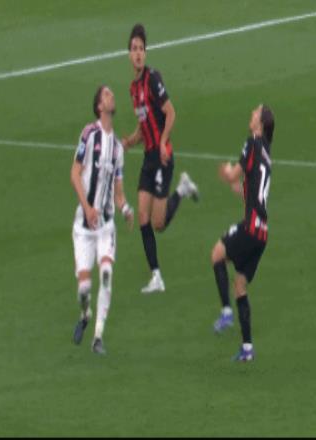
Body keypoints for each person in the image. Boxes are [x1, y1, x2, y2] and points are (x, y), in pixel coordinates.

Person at [122, 23, 199, 294]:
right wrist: (129, 141)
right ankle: (156, 276)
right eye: (134, 49)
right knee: (143, 215)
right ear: (129, 54)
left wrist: (164, 141)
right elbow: (143, 126)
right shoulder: (133, 89)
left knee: (158, 223)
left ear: (145, 52)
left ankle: (182, 189)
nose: (138, 53)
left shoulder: (153, 79)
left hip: (162, 158)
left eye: (141, 48)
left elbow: (171, 112)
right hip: (148, 159)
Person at [71, 85, 134, 355]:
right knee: (84, 288)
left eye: (111, 94)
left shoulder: (118, 148)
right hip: (84, 228)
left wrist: (126, 208)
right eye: (106, 95)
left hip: (106, 226)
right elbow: (74, 174)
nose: (112, 97)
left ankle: (98, 336)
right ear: (99, 106)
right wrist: (87, 207)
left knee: (106, 274)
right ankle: (85, 314)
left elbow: (118, 192)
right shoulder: (89, 134)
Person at [211, 104, 275, 362]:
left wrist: (227, 173)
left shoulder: (252, 143)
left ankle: (226, 312)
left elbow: (232, 175)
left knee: (216, 254)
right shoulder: (266, 153)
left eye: (255, 112)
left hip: (250, 228)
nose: (251, 113)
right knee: (239, 285)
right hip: (262, 234)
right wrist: (238, 187)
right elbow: (252, 191)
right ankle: (247, 348)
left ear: (261, 123)